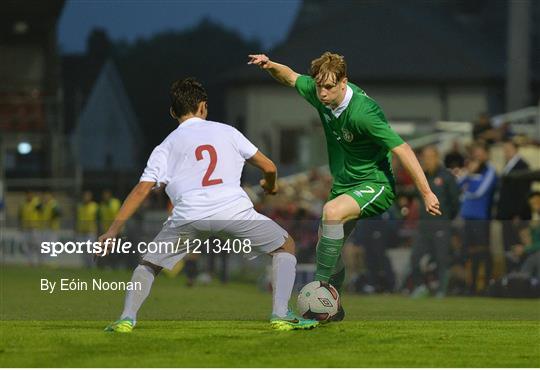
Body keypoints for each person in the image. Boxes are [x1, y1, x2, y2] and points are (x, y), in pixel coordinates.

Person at [100, 78, 318, 332]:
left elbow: (141, 190)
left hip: (189, 216)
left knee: (149, 264)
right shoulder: (228, 132)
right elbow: (269, 166)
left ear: (173, 112)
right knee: (285, 245)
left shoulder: (166, 145)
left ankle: (126, 318)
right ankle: (280, 314)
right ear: (203, 107)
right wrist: (270, 185)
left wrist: (112, 231)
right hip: (234, 212)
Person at [248, 52, 441, 320]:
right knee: (326, 248)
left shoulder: (364, 113)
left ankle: (318, 291)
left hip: (376, 184)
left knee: (331, 212)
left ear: (343, 82)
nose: (323, 93)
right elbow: (291, 77)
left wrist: (426, 192)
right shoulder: (319, 92)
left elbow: (404, 149)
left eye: (328, 87)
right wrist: (269, 66)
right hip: (344, 185)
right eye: (319, 86)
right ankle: (332, 308)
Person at [409, 146, 460, 298]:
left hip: (441, 225)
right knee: (415, 258)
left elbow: (455, 203)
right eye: (424, 157)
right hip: (423, 225)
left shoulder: (447, 177)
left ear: (437, 157)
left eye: (430, 157)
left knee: (441, 259)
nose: (426, 160)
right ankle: (420, 287)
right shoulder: (421, 177)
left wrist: (445, 219)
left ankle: (441, 290)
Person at [458, 141, 498, 294]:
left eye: (480, 152)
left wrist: (466, 192)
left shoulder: (490, 170)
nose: (477, 155)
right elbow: (457, 185)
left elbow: (480, 192)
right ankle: (472, 286)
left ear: (486, 154)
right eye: (476, 152)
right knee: (471, 252)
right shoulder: (470, 169)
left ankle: (487, 285)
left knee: (483, 252)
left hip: (481, 218)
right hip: (467, 216)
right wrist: (468, 173)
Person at [495, 140, 530, 253]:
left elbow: (523, 192)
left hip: (514, 214)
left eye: (508, 149)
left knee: (515, 243)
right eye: (505, 149)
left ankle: (517, 270)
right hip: (507, 213)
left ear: (515, 149)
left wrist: (518, 213)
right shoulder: (508, 165)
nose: (506, 151)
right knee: (507, 243)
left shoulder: (522, 166)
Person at [76, 191, 99, 267]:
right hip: (81, 231)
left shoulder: (94, 206)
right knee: (82, 250)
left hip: (90, 231)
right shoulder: (80, 206)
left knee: (90, 250)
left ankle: (92, 265)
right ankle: (85, 265)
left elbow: (97, 218)